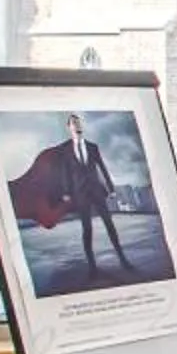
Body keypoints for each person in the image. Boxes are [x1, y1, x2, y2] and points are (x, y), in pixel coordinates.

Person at [58, 114, 134, 275]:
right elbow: (65, 172)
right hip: (80, 194)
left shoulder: (93, 147)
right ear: (69, 127)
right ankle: (92, 267)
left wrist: (111, 188)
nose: (77, 125)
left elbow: (102, 167)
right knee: (87, 229)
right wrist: (66, 192)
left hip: (97, 191)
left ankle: (123, 259)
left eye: (78, 122)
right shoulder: (65, 149)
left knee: (109, 224)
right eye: (73, 123)